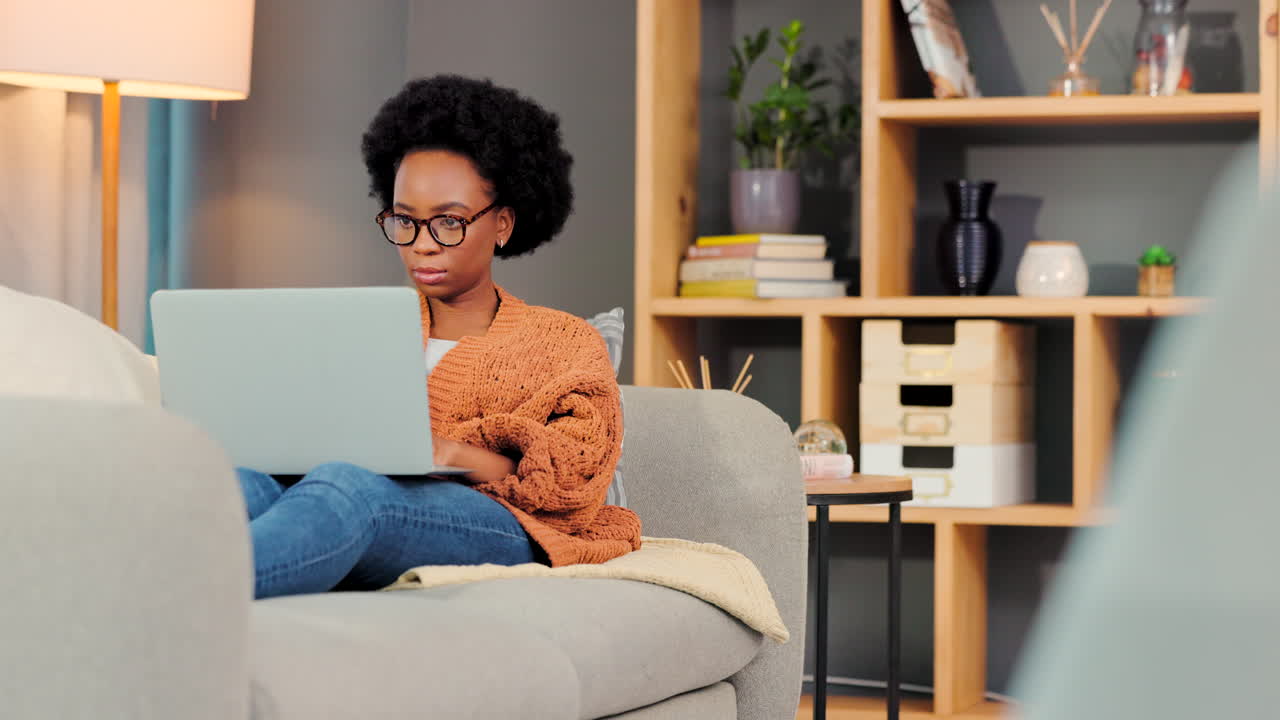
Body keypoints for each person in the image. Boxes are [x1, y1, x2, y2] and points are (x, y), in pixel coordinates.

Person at [237, 75, 640, 599]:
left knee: (348, 487)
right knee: (238, 484)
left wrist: (450, 453)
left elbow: (577, 480)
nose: (422, 245)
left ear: (502, 223)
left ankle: (166, 608)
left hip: (505, 519)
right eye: (404, 221)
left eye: (449, 222)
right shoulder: (365, 329)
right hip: (353, 497)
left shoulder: (564, 341)